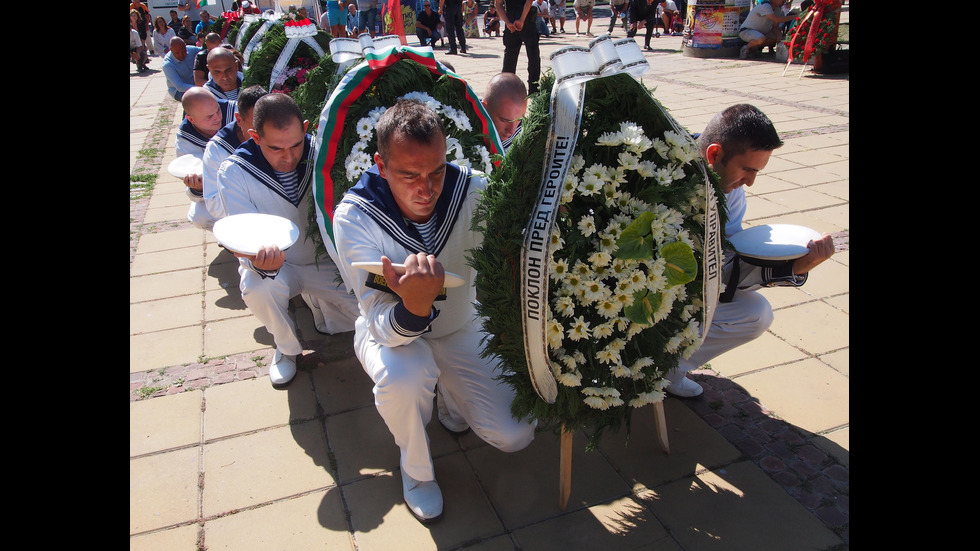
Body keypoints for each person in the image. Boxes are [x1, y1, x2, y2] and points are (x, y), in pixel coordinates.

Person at [330, 99, 536, 523]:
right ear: (380, 166)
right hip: (390, 337)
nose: (426, 189)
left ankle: (452, 403)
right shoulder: (356, 216)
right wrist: (414, 307)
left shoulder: (471, 190)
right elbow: (381, 323)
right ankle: (416, 468)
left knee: (515, 435)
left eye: (436, 171)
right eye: (409, 175)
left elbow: (507, 252)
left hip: (460, 323)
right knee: (406, 376)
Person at [663, 104, 836, 398]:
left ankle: (665, 370)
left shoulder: (731, 189)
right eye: (747, 169)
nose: (750, 182)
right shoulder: (656, 174)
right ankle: (631, 367)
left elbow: (724, 266)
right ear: (714, 154)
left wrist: (794, 267)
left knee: (755, 313)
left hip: (680, 289)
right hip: (624, 287)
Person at [215, 93, 360, 386]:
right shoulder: (234, 172)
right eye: (276, 148)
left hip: (326, 262)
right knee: (255, 287)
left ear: (305, 128)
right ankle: (286, 348)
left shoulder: (322, 153)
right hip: (280, 266)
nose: (289, 156)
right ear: (254, 136)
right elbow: (243, 235)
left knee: (372, 311)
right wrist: (261, 260)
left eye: (295, 144)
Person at [202, 85, 268, 223]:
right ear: (238, 119)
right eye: (256, 125)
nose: (264, 133)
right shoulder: (217, 150)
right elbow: (214, 205)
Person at [175, 87, 236, 230]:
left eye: (218, 110)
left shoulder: (234, 111)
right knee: (200, 216)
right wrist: (198, 188)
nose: (218, 118)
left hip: (249, 178)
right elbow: (194, 184)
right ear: (191, 119)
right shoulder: (184, 141)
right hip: (217, 187)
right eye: (209, 117)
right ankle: (227, 234)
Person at [496, 0, 540, 95]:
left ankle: (506, 88)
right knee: (533, 56)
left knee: (510, 57)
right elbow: (529, 1)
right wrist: (521, 20)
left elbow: (498, 4)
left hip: (511, 20)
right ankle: (534, 89)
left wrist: (508, 23)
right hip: (527, 20)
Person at [481, 72, 527, 153]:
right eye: (504, 120)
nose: (512, 131)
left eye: (519, 120)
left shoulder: (524, 136)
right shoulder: (462, 123)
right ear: (484, 108)